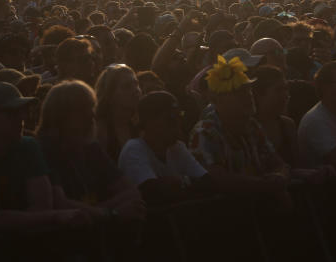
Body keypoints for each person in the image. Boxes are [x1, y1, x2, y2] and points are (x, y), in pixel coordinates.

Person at [0, 82, 86, 235]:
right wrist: (54, 216)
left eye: (23, 111)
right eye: (12, 113)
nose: (23, 117)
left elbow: (43, 206)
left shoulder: (28, 146)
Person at [37, 80, 145, 219]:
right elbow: (59, 203)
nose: (91, 116)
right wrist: (111, 213)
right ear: (60, 116)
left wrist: (96, 212)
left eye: (91, 108)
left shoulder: (91, 148)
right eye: (82, 111)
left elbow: (132, 192)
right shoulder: (44, 151)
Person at [188, 56, 290, 202]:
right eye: (238, 92)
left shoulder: (252, 126)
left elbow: (277, 162)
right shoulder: (205, 132)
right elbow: (217, 178)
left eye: (248, 90)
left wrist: (280, 176)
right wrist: (265, 186)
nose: (248, 96)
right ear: (218, 100)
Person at [118, 91, 208, 204]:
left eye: (179, 115)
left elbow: (207, 182)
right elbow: (153, 193)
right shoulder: (134, 149)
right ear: (148, 122)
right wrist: (188, 183)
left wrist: (180, 182)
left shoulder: (177, 147)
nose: (177, 123)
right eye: (170, 118)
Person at [94, 64, 142, 162]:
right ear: (110, 94)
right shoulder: (100, 131)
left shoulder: (141, 125)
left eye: (136, 84)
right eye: (127, 86)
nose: (136, 90)